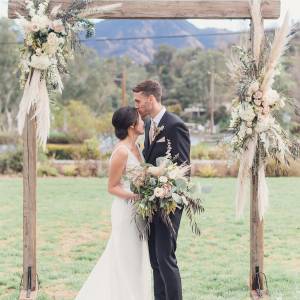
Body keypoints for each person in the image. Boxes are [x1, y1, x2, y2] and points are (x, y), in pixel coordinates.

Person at [75, 106, 152, 300]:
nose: (143, 122)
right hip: (125, 212)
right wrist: (135, 196)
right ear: (132, 126)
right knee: (125, 256)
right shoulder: (121, 152)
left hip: (138, 210)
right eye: (140, 120)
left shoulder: (137, 147)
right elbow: (112, 187)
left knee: (136, 258)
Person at [134, 80, 191, 300]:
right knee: (155, 260)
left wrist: (166, 192)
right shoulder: (148, 125)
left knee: (165, 258)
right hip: (150, 202)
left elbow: (183, 169)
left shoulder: (175, 125)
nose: (136, 105)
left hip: (170, 203)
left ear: (151, 99)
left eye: (138, 100)